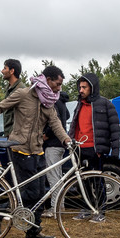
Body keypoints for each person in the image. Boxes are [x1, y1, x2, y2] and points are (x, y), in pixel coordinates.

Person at [0, 65, 70, 238]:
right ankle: (2, 211)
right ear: (48, 80)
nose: (59, 88)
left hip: (38, 150)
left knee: (40, 193)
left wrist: (67, 140)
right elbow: (0, 107)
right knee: (31, 192)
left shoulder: (49, 101)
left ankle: (32, 230)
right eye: (57, 84)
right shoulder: (24, 94)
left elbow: (56, 123)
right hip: (20, 148)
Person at [68, 72, 120, 222]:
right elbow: (74, 125)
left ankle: (100, 211)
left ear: (92, 87)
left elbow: (114, 128)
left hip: (95, 149)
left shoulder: (105, 104)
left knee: (98, 181)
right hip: (79, 148)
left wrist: (114, 151)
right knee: (82, 181)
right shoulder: (79, 105)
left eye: (84, 87)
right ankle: (86, 208)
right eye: (80, 87)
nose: (81, 90)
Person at [41, 89, 70, 219]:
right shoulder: (62, 101)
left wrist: (46, 134)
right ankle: (60, 206)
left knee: (53, 178)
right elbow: (67, 115)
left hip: (53, 144)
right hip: (61, 144)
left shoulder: (52, 101)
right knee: (58, 177)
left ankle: (54, 209)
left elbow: (54, 120)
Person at [1, 59, 26, 138]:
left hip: (16, 136)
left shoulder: (20, 89)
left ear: (12, 71)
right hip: (10, 134)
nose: (2, 71)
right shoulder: (9, 88)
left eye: (5, 68)